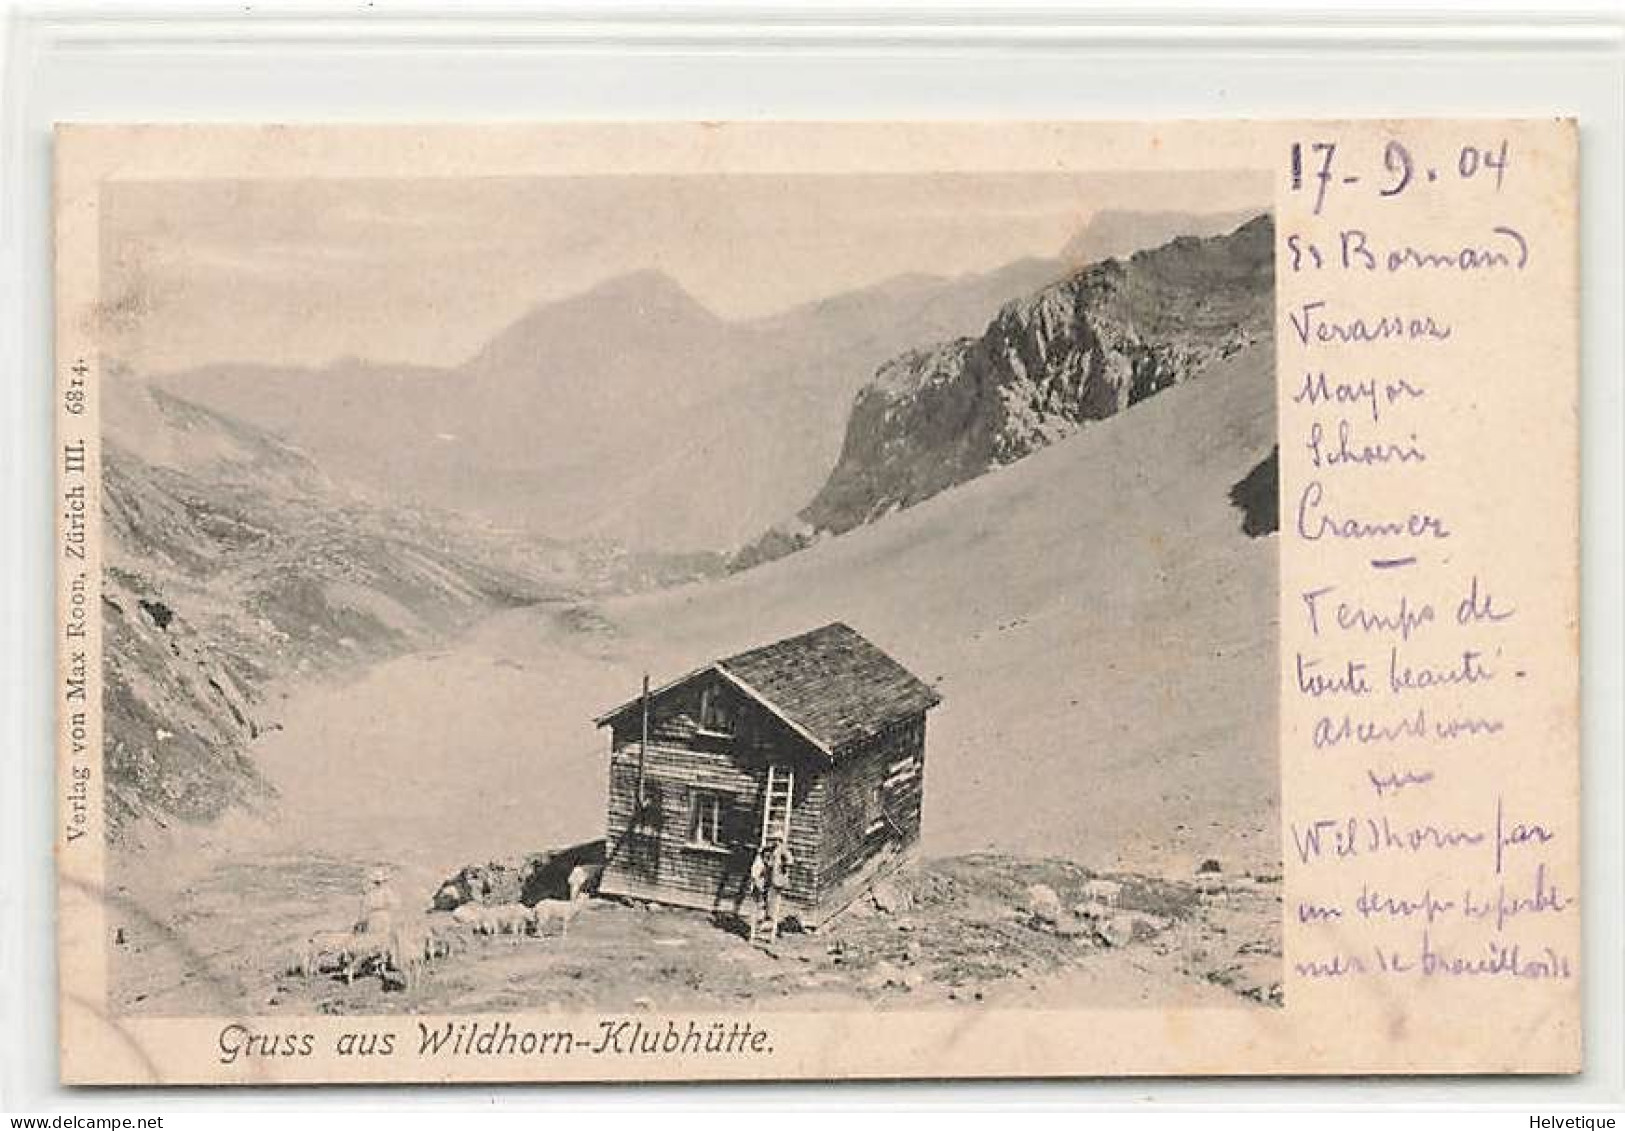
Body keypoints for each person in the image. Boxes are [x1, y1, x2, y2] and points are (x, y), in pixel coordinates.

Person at [357, 867, 399, 938]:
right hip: (378, 917)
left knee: (378, 936)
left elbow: (366, 907)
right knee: (379, 936)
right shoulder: (379, 892)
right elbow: (394, 904)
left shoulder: (373, 892)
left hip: (379, 916)